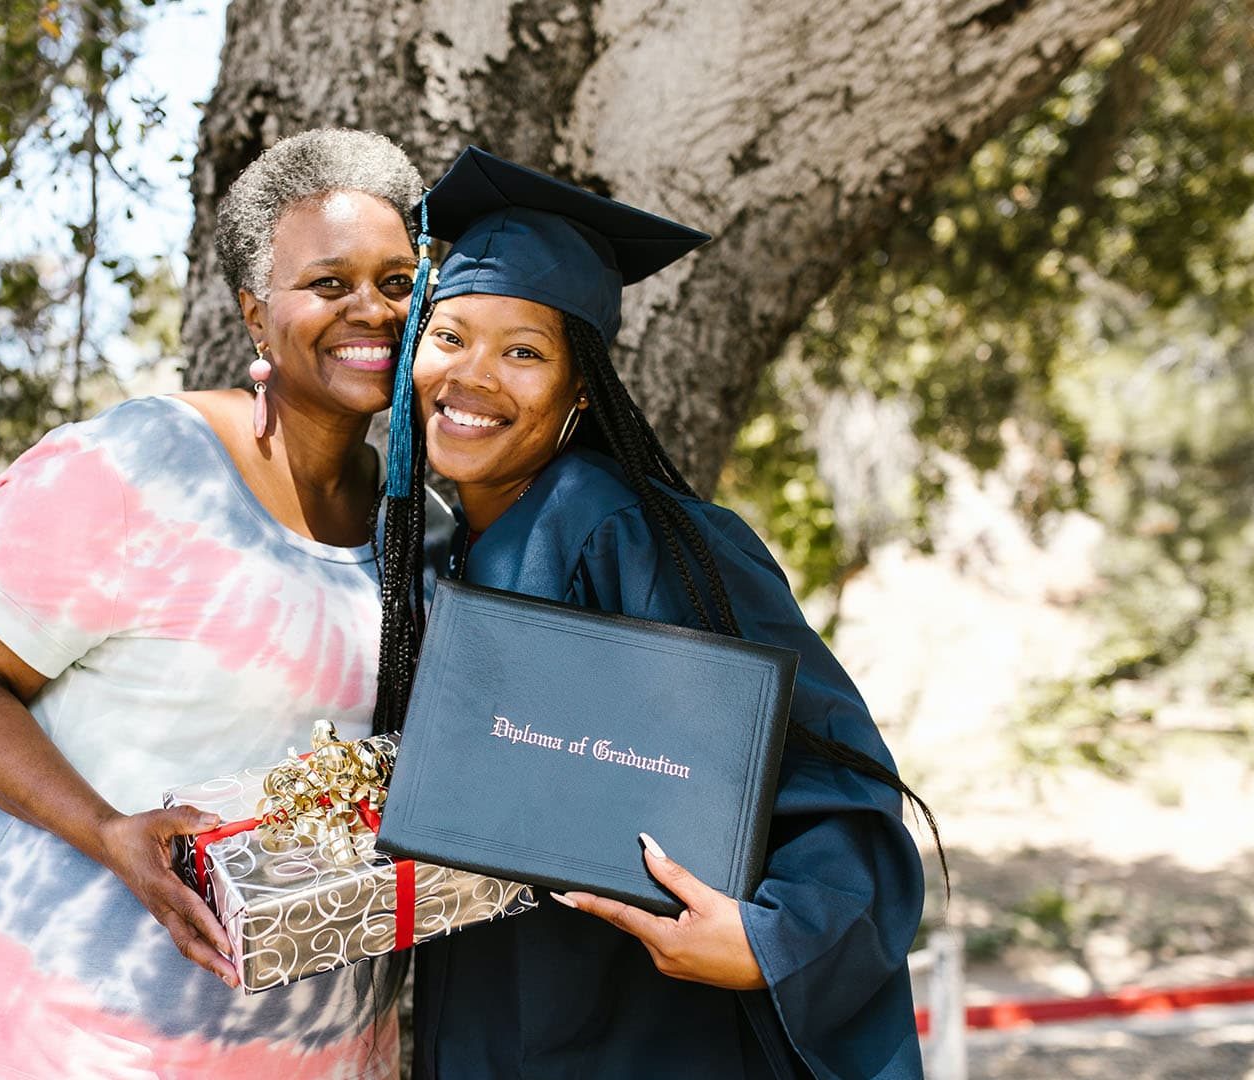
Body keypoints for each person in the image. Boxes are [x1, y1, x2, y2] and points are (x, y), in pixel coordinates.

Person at [371, 147, 938, 1079]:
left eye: (524, 352)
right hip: (485, 1016)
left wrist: (772, 940)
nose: (472, 375)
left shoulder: (629, 533)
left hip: (637, 1029)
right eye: (451, 336)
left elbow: (834, 774)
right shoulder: (430, 554)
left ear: (580, 390)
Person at [0, 128, 430, 1080]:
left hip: (308, 1020)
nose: (371, 310)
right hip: (85, 1011)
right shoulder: (139, 467)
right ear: (258, 319)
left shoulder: (417, 517)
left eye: (397, 280)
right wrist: (107, 831)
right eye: (329, 284)